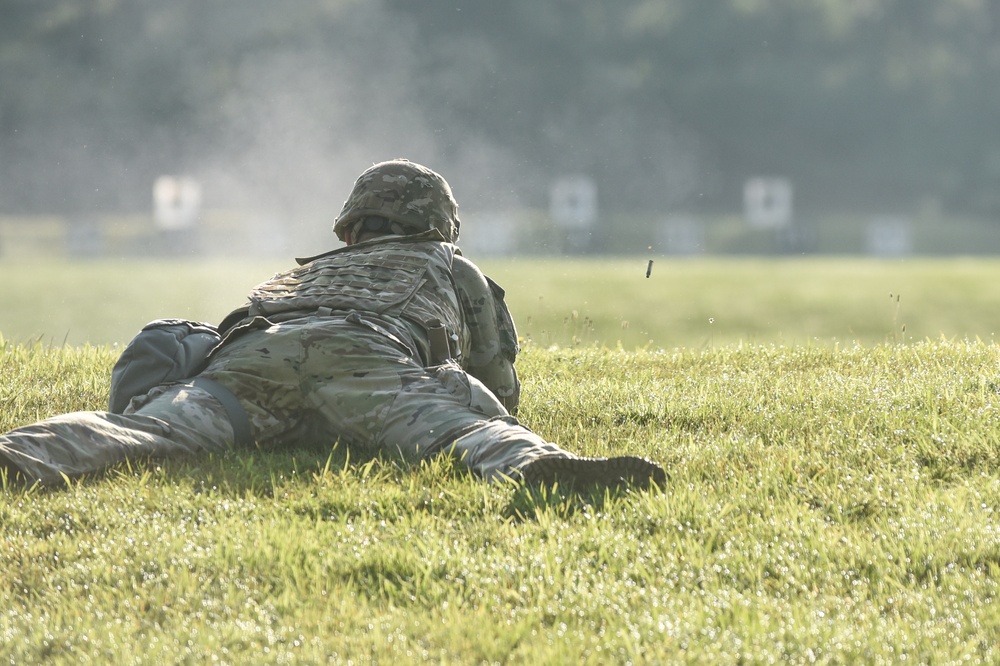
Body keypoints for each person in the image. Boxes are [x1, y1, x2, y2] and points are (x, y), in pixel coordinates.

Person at [0, 160, 665, 492]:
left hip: (252, 362)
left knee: (142, 430)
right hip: (368, 364)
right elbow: (496, 378)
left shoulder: (311, 271)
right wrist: (491, 411)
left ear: (355, 224)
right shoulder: (446, 264)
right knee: (462, 432)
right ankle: (539, 468)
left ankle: (25, 451)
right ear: (435, 223)